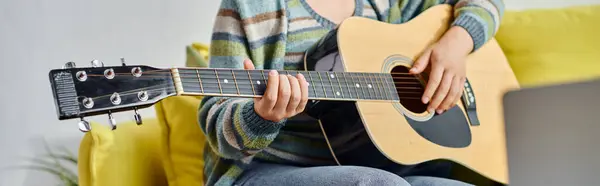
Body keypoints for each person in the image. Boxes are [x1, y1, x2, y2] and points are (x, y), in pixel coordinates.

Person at [198, 0, 504, 185]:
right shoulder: (252, 6)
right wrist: (261, 116)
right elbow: (217, 116)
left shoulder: (384, 4)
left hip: (379, 163)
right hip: (265, 170)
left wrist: (457, 43)